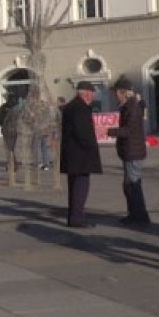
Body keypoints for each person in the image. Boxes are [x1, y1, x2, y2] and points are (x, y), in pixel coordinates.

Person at [106, 76, 150, 225]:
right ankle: (134, 214)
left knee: (133, 184)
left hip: (133, 152)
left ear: (123, 92)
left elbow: (129, 130)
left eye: (116, 92)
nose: (115, 95)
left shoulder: (131, 107)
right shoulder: (129, 106)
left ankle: (140, 216)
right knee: (129, 185)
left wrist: (109, 131)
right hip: (131, 151)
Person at [60, 81, 103, 228]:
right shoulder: (80, 108)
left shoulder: (70, 107)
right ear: (85, 93)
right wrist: (92, 145)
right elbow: (83, 132)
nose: (92, 97)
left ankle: (74, 216)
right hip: (81, 156)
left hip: (72, 156)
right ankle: (77, 218)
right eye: (91, 93)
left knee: (74, 187)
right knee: (80, 187)